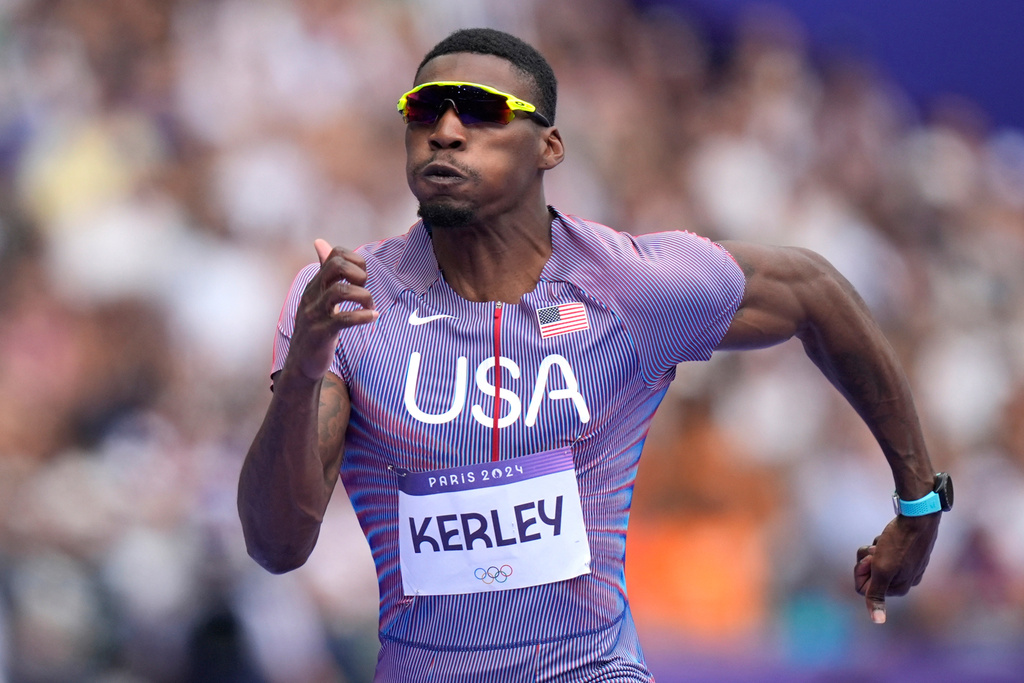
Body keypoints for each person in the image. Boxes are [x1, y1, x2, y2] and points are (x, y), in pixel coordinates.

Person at [238, 27, 948, 682]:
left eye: (483, 110)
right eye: (423, 111)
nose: (445, 132)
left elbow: (815, 291)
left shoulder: (628, 284)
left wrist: (920, 501)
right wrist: (302, 370)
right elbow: (277, 545)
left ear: (549, 146)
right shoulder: (351, 301)